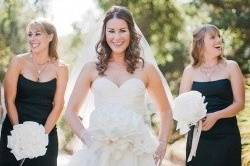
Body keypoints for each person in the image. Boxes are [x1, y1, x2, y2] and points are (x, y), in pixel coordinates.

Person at [65, 6, 172, 166]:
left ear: (131, 33)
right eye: (111, 31)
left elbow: (165, 110)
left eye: (122, 30)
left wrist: (162, 143)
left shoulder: (146, 69)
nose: (116, 37)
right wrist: (87, 138)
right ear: (104, 33)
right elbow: (71, 111)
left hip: (138, 152)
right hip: (100, 152)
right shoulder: (90, 69)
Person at [0, 20, 68, 166]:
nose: (32, 39)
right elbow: (9, 100)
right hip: (14, 130)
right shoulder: (18, 62)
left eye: (37, 34)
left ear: (50, 37)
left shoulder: (61, 68)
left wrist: (41, 136)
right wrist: (18, 131)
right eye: (30, 35)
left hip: (46, 132)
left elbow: (58, 105)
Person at [179, 24, 245, 166]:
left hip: (227, 136)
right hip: (198, 138)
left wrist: (216, 116)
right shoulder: (189, 71)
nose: (219, 40)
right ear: (200, 44)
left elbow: (240, 104)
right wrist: (195, 118)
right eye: (213, 37)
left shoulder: (231, 67)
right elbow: (182, 106)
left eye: (219, 36)